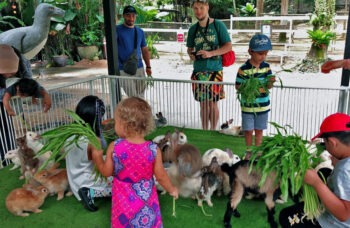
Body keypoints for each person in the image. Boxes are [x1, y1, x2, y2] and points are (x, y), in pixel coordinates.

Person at [92, 96, 179, 227]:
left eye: (116, 122)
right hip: (145, 203)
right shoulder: (153, 150)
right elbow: (161, 176)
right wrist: (171, 189)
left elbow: (106, 172)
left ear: (124, 124)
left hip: (123, 203)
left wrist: (97, 157)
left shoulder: (115, 147)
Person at [279, 112, 350, 227]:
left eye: (325, 143)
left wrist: (316, 183)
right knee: (325, 172)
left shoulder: (345, 170)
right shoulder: (345, 162)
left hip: (337, 223)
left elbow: (344, 214)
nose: (325, 146)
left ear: (332, 142)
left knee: (285, 216)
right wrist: (339, 162)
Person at [0, 44, 51, 167]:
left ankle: (9, 157)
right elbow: (7, 94)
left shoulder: (22, 62)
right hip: (4, 97)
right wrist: (7, 99)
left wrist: (44, 95)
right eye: (5, 74)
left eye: (12, 73)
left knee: (6, 129)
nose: (9, 76)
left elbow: (30, 84)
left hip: (7, 99)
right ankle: (4, 157)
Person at [186, 0, 232, 130]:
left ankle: (213, 129)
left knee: (212, 103)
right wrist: (192, 54)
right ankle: (204, 129)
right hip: (198, 70)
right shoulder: (193, 29)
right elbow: (189, 49)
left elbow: (228, 46)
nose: (198, 11)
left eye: (201, 7)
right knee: (203, 104)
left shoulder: (218, 25)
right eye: (195, 8)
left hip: (215, 70)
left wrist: (211, 53)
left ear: (207, 7)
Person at [65, 95, 113, 212]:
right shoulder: (93, 141)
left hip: (74, 182)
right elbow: (103, 171)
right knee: (125, 182)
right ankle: (91, 192)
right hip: (89, 183)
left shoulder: (70, 135)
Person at [235, 34, 275, 160]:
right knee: (248, 130)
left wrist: (271, 82)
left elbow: (268, 87)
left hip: (262, 106)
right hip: (248, 107)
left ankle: (257, 152)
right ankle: (248, 151)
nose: (263, 56)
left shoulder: (266, 67)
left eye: (265, 53)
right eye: (260, 53)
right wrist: (247, 86)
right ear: (250, 52)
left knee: (259, 130)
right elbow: (237, 86)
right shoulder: (243, 69)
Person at [117, 5, 152, 98]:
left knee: (141, 96)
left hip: (139, 67)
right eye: (128, 15)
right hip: (124, 69)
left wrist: (148, 66)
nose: (131, 18)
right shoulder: (117, 30)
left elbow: (144, 49)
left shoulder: (139, 31)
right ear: (124, 16)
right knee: (133, 97)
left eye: (133, 15)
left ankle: (140, 113)